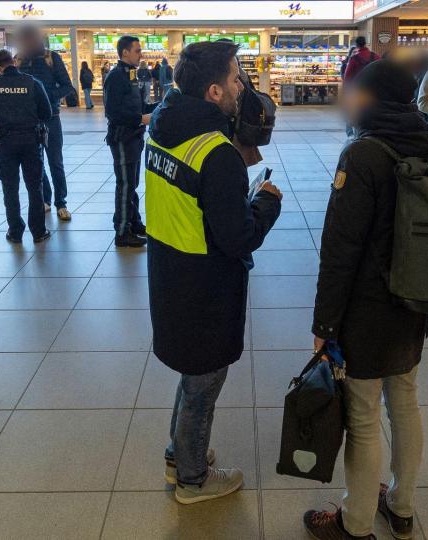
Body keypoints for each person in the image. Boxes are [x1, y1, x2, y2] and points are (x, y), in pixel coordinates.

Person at [145, 40, 282, 504]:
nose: (241, 83)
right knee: (204, 383)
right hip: (204, 285)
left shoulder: (162, 129)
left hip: (168, 271)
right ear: (214, 92)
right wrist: (266, 203)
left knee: (190, 376)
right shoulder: (215, 152)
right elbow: (238, 237)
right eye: (235, 77)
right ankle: (192, 480)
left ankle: (176, 453)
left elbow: (196, 207)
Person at [301, 60, 428, 540]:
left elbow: (339, 252)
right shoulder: (423, 142)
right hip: (414, 300)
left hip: (367, 310)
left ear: (372, 99)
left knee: (362, 415)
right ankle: (401, 505)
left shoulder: (362, 155)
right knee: (406, 402)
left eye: (356, 93)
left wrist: (324, 323)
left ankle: (354, 524)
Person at [0, 49, 52, 244]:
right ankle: (38, 231)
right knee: (35, 187)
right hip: (31, 141)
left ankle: (15, 231)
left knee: (10, 188)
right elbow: (46, 112)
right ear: (13, 61)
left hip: (5, 143)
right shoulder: (33, 83)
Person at [16, 25, 73, 221]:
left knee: (55, 161)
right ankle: (45, 199)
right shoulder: (20, 60)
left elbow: (67, 86)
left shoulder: (51, 58)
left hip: (52, 118)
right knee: (36, 163)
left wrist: (46, 96)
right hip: (30, 120)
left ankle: (61, 203)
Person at [104, 36, 153, 248]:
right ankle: (123, 232)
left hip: (134, 137)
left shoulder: (131, 75)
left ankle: (134, 222)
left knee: (132, 184)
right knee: (125, 185)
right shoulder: (115, 77)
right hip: (123, 138)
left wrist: (157, 107)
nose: (140, 54)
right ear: (125, 52)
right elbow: (113, 112)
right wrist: (140, 119)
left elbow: (138, 104)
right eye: (137, 50)